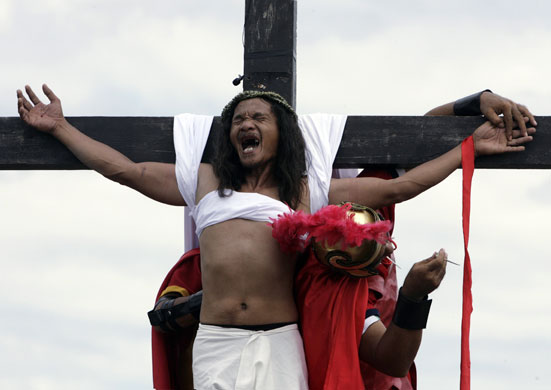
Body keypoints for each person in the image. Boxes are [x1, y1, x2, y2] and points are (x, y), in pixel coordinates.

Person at [17, 85, 536, 390]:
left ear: (278, 134)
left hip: (279, 340)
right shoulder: (204, 183)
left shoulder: (306, 193)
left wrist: (469, 146)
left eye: (258, 117)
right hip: (218, 340)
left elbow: (400, 184)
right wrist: (59, 127)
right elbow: (124, 170)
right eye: (238, 119)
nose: (246, 123)